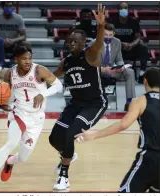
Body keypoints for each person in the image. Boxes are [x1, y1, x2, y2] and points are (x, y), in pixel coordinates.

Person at [0, 42, 63, 192]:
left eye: (29, 58)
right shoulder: (10, 73)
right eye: (24, 58)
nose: (27, 61)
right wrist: (2, 103)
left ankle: (10, 162)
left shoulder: (39, 70)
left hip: (36, 119)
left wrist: (42, 94)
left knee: (23, 158)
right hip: (19, 114)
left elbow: (58, 86)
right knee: (11, 143)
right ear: (16, 59)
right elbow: (2, 91)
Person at [49, 4, 108, 191]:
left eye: (75, 41)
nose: (71, 43)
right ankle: (69, 153)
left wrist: (101, 26)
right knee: (54, 138)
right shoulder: (66, 61)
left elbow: (98, 44)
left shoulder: (90, 55)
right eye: (70, 41)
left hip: (94, 103)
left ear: (83, 43)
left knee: (70, 132)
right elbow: (51, 77)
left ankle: (64, 176)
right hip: (75, 104)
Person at [75, 67, 160, 193]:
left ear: (145, 81)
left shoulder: (140, 101)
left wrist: (95, 134)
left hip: (151, 158)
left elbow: (123, 125)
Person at [107, 2, 149, 84]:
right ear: (118, 10)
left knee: (144, 49)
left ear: (128, 10)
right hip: (117, 47)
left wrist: (132, 44)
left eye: (125, 8)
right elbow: (109, 37)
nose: (124, 10)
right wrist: (122, 44)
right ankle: (110, 75)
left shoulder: (133, 22)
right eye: (122, 8)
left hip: (130, 47)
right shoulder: (113, 22)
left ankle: (141, 74)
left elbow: (138, 37)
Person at [97, 23, 136, 111]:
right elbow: (91, 64)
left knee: (130, 72)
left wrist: (120, 66)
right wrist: (103, 69)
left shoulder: (117, 42)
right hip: (98, 71)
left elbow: (119, 59)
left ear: (114, 34)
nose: (108, 37)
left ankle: (129, 102)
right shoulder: (95, 43)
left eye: (110, 35)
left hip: (112, 70)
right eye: (105, 35)